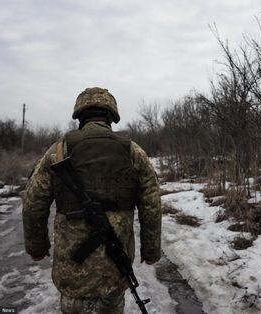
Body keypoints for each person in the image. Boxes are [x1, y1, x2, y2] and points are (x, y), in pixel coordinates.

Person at [22, 87, 162, 314]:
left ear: (80, 116)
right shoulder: (133, 152)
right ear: (111, 117)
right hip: (114, 272)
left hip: (72, 273)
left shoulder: (58, 151)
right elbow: (152, 206)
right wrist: (151, 251)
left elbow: (32, 203)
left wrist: (37, 247)